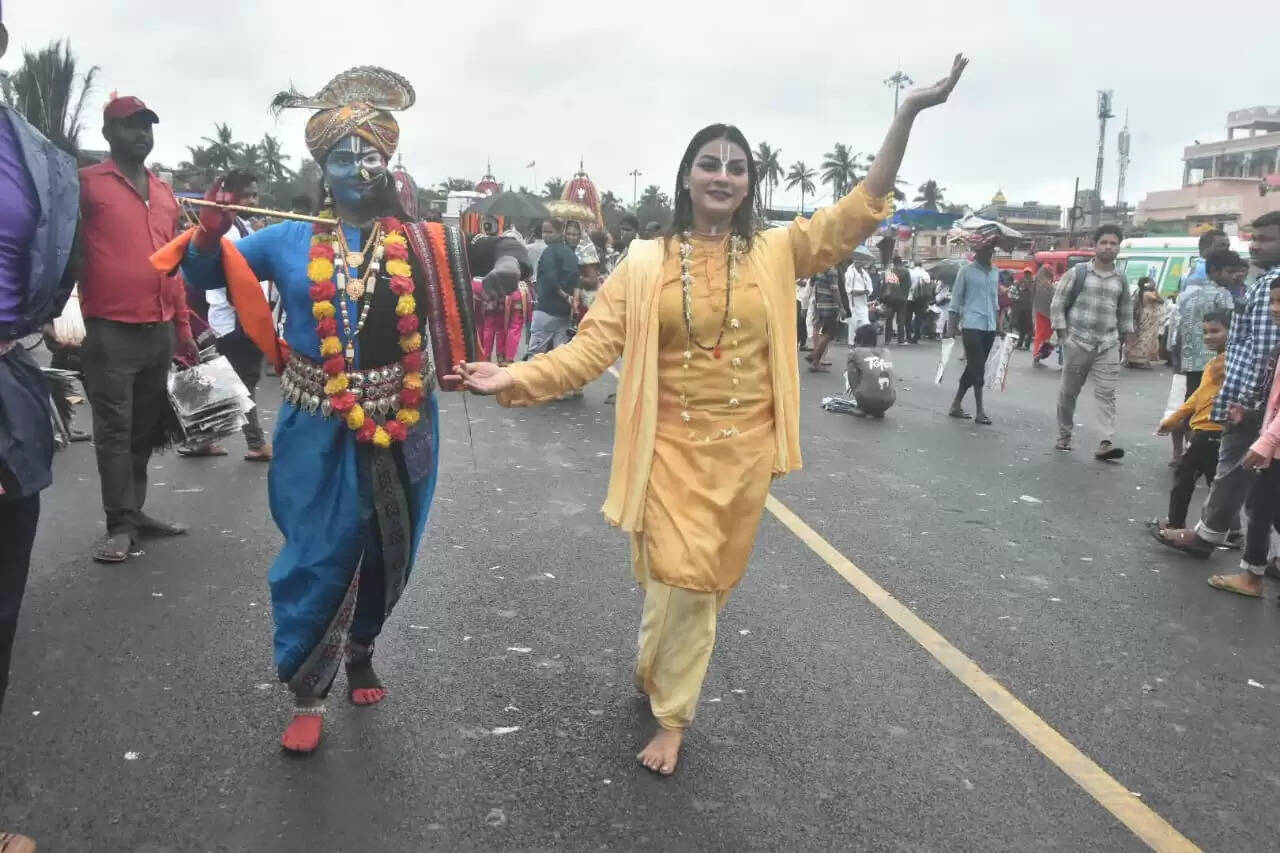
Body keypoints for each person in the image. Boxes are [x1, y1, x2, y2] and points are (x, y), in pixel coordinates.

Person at [452, 55, 968, 776]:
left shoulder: (779, 250)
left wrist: (905, 114)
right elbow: (591, 346)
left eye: (736, 166)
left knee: (695, 581)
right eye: (709, 163)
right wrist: (512, 374)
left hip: (744, 453)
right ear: (686, 176)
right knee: (687, 579)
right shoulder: (643, 261)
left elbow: (859, 210)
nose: (723, 175)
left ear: (748, 183)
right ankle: (674, 715)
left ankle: (652, 667)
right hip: (668, 450)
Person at [166, 66, 506, 754]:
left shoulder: (417, 240)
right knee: (315, 553)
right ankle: (307, 689)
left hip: (404, 417)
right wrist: (207, 236)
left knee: (390, 549)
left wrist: (504, 268)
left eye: (370, 155)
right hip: (314, 416)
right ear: (324, 165)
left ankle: (362, 645)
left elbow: (495, 247)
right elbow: (205, 275)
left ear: (388, 162)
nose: (358, 167)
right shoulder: (288, 239)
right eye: (344, 156)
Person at [79, 95, 199, 563]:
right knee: (113, 429)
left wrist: (184, 329)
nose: (141, 135)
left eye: (147, 126)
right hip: (110, 330)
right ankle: (119, 524)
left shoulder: (165, 194)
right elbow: (63, 250)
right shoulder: (87, 185)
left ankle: (135, 512)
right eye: (130, 126)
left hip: (160, 329)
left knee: (144, 429)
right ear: (109, 133)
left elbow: (175, 268)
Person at [1151, 213, 1280, 595]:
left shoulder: (1272, 285)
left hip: (1254, 402)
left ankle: (1216, 543)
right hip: (1256, 400)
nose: (1256, 246)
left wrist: (1249, 402)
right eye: (1254, 239)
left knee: (1241, 478)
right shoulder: (1262, 281)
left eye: (1267, 239)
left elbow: (1264, 352)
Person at [178, 169, 273, 461]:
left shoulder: (243, 225)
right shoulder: (225, 228)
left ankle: (200, 440)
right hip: (234, 319)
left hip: (238, 318)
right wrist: (248, 314)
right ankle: (254, 442)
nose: (251, 200)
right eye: (245, 196)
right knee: (240, 382)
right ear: (228, 197)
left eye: (255, 195)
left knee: (217, 379)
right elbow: (230, 279)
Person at [1051, 225, 1134, 460]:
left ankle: (1105, 441)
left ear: (1118, 248)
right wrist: (1063, 336)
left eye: (1113, 243)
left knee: (1107, 393)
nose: (1108, 247)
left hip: (1108, 344)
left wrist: (1127, 342)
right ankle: (1064, 434)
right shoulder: (1077, 273)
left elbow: (1126, 312)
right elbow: (1058, 304)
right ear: (1095, 246)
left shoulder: (1121, 279)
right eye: (1104, 242)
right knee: (1069, 392)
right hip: (1077, 341)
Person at [1154, 311, 1230, 531]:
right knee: (1216, 483)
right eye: (1205, 332)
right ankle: (1229, 531)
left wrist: (1174, 418)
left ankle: (1176, 523)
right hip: (1207, 430)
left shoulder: (1226, 363)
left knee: (1187, 477)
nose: (1208, 336)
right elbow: (1198, 396)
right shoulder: (1217, 362)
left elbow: (1200, 396)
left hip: (1210, 429)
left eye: (1215, 331)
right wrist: (1174, 418)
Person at [1170, 249, 1240, 462]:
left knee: (1189, 404)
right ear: (1216, 271)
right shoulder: (1223, 295)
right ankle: (1198, 453)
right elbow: (1232, 328)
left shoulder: (1187, 293)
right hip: (1216, 361)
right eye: (1230, 272)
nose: (1234, 276)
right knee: (1209, 406)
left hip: (1189, 359)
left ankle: (1178, 453)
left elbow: (1177, 326)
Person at [947, 238, 1000, 425]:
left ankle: (956, 404)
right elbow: (956, 299)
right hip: (971, 325)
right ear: (977, 251)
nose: (988, 254)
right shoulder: (966, 271)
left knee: (973, 368)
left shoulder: (995, 273)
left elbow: (995, 302)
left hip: (989, 326)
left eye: (991, 250)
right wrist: (951, 327)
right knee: (978, 367)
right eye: (985, 250)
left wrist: (999, 325)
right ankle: (980, 410)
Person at [528, 218, 578, 356]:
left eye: (549, 232)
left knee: (536, 354)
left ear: (560, 232)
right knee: (558, 356)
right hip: (564, 313)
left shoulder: (549, 252)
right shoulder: (571, 254)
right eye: (544, 232)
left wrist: (563, 295)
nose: (545, 235)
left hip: (546, 309)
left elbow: (550, 278)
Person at [845, 323, 895, 417]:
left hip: (866, 398)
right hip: (890, 400)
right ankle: (878, 410)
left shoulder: (855, 352)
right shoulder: (886, 352)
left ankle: (861, 407)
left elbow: (851, 374)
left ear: (860, 340)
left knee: (851, 368)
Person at [805, 266, 844, 372]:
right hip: (829, 306)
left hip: (819, 304)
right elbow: (834, 290)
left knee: (820, 330)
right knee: (828, 334)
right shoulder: (832, 270)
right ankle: (815, 356)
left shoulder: (819, 267)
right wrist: (841, 307)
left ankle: (815, 360)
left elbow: (812, 283)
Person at [1125, 277, 1163, 368]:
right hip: (1148, 318)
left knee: (1140, 338)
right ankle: (1140, 361)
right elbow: (1161, 300)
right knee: (1145, 339)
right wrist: (1155, 290)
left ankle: (1132, 359)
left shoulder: (1140, 292)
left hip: (1143, 317)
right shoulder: (1148, 294)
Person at [1031, 265, 1057, 365]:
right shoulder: (1046, 284)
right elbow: (1053, 297)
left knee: (1041, 333)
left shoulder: (1038, 282)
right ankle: (1039, 352)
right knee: (1045, 334)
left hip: (1039, 311)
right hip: (1047, 313)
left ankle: (1039, 352)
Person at [844, 254, 873, 344]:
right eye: (862, 261)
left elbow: (870, 288)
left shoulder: (864, 273)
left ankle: (864, 342)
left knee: (866, 324)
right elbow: (850, 291)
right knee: (853, 325)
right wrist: (863, 292)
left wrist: (866, 292)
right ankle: (852, 344)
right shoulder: (849, 272)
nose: (864, 263)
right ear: (857, 260)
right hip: (853, 304)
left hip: (863, 303)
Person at [907, 260, 932, 343]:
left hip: (910, 297)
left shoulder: (911, 272)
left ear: (914, 264)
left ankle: (908, 336)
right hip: (921, 298)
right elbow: (928, 283)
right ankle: (916, 337)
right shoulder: (925, 273)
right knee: (918, 317)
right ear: (921, 265)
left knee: (908, 317)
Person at [1011, 268, 1034, 349]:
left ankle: (1027, 344)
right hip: (1022, 308)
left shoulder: (1033, 283)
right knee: (1022, 327)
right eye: (1026, 273)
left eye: (1028, 273)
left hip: (1030, 308)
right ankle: (1020, 344)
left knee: (1030, 327)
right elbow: (1014, 292)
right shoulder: (1020, 282)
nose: (1027, 275)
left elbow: (1034, 293)